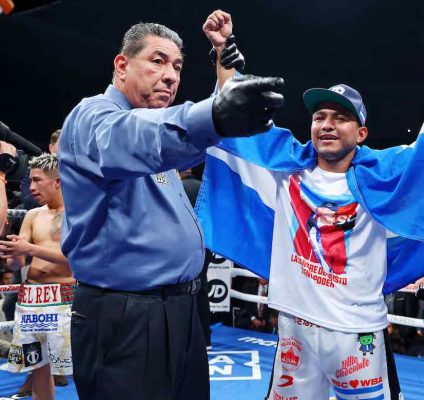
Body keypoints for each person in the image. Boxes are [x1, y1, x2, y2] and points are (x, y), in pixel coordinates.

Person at [200, 17, 424, 397]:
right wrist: (220, 50)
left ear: (361, 133)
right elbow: (237, 110)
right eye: (319, 117)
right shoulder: (287, 165)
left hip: (356, 332)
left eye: (340, 118)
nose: (327, 124)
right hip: (296, 326)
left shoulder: (383, 174)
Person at [57, 13, 284, 400]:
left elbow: (206, 126)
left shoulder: (155, 132)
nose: (171, 75)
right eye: (158, 61)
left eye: (178, 66)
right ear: (122, 65)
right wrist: (213, 114)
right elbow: (137, 136)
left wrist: (222, 60)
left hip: (180, 310)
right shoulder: (93, 117)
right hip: (125, 314)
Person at [0, 153, 74, 400]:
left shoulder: (78, 214)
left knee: (76, 367)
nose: (31, 187)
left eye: (37, 180)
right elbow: (18, 262)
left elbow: (76, 259)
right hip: (31, 299)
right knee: (37, 367)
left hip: (64, 298)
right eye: (30, 180)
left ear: (57, 182)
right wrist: (11, 253)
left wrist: (29, 249)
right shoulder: (32, 215)